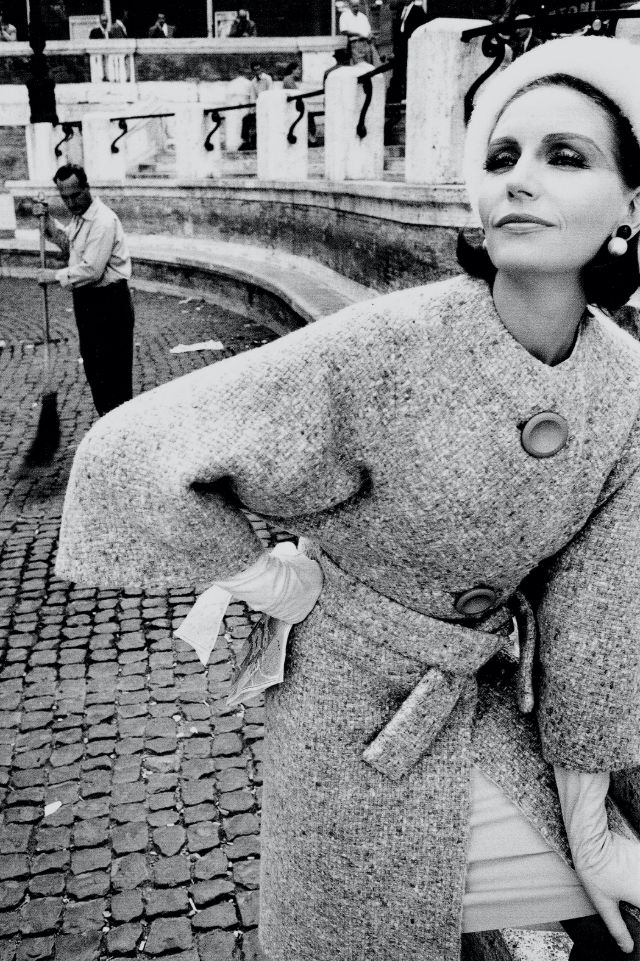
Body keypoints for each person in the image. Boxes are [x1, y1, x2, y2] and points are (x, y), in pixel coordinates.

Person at [55, 35, 640, 961]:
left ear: (629, 208)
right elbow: (132, 451)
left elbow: (597, 622)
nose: (520, 179)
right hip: (346, 713)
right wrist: (265, 578)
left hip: (486, 701)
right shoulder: (389, 346)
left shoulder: (626, 388)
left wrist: (594, 829)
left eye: (565, 157)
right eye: (502, 157)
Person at [37, 164, 135, 417]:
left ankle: (119, 427)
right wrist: (46, 221)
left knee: (113, 373)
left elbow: (92, 270)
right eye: (65, 198)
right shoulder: (80, 218)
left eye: (75, 195)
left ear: (87, 188)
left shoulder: (103, 221)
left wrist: (54, 276)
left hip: (110, 303)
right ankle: (107, 424)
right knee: (95, 369)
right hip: (88, 303)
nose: (71, 203)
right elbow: (67, 243)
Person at [239, 62, 273, 150]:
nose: (257, 72)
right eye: (255, 70)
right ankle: (246, 141)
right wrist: (252, 111)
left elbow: (270, 93)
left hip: (267, 107)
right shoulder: (253, 82)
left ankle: (257, 141)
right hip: (258, 108)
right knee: (246, 119)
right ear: (253, 71)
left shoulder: (267, 79)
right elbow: (253, 97)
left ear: (261, 69)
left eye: (259, 69)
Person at [339, 0, 380, 64]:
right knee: (360, 65)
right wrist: (358, 34)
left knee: (369, 65)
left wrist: (370, 35)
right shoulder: (345, 15)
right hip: (356, 43)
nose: (356, 8)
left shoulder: (362, 16)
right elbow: (343, 31)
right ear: (350, 6)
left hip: (367, 43)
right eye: (354, 6)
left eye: (357, 6)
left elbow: (368, 30)